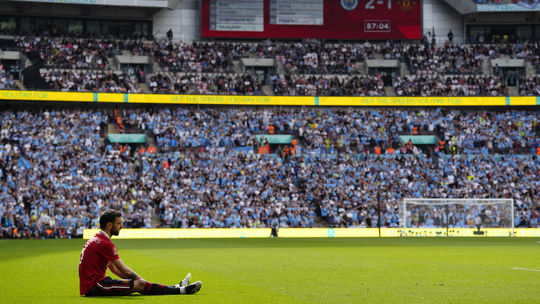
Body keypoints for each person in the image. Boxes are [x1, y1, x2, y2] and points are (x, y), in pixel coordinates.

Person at [79, 209, 202, 296]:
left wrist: (137, 283)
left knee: (139, 284)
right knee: (140, 284)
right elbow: (125, 270)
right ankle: (182, 290)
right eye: (119, 223)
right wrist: (141, 281)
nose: (122, 226)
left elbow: (115, 269)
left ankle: (177, 287)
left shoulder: (97, 239)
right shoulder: (105, 244)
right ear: (109, 225)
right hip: (97, 286)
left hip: (96, 284)